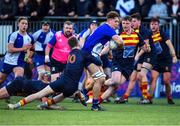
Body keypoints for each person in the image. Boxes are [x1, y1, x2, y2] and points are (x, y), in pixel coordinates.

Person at [7, 36, 102, 110]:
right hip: (72, 85)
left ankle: (16, 105)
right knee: (64, 95)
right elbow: (99, 63)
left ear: (69, 46)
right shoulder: (84, 53)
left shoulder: (70, 54)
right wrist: (96, 54)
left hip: (62, 80)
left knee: (39, 94)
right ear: (78, 43)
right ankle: (77, 94)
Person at [99, 16, 149, 104]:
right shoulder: (118, 35)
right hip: (117, 62)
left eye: (127, 23)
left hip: (129, 65)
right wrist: (100, 54)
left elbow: (144, 47)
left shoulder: (137, 35)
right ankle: (98, 82)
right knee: (115, 81)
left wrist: (147, 49)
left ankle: (98, 102)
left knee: (115, 86)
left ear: (131, 24)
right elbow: (108, 47)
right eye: (123, 23)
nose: (125, 25)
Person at [81, 11, 124, 111]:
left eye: (118, 22)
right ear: (110, 20)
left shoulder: (105, 28)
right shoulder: (107, 28)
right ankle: (94, 105)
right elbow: (119, 41)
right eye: (116, 21)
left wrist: (109, 53)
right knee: (100, 79)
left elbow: (103, 44)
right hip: (89, 55)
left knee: (101, 79)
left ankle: (83, 93)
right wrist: (121, 45)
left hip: (92, 55)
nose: (118, 24)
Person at [115, 13, 155, 104]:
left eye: (134, 21)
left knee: (141, 75)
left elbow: (145, 48)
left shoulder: (144, 31)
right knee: (133, 77)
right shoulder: (131, 31)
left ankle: (146, 98)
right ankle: (126, 97)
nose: (131, 23)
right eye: (131, 21)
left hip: (149, 54)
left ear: (139, 22)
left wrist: (136, 56)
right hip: (140, 55)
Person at [149, 18, 178, 104]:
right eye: (152, 24)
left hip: (165, 60)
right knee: (153, 78)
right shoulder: (149, 35)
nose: (153, 26)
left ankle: (169, 97)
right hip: (156, 60)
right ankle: (149, 98)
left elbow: (170, 45)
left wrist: (174, 56)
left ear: (158, 25)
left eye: (155, 24)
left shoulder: (162, 33)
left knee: (166, 81)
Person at [0, 16, 33, 86]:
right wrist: (23, 49)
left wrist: (27, 57)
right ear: (18, 24)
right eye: (22, 23)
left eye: (26, 24)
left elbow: (30, 49)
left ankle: (7, 92)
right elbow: (10, 49)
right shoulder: (13, 35)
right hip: (8, 61)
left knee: (18, 80)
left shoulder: (30, 38)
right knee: (1, 79)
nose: (24, 25)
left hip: (19, 62)